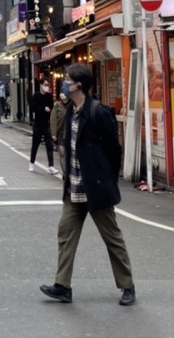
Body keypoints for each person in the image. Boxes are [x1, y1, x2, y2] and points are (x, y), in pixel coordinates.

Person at [40, 64, 136, 306]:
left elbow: (114, 151)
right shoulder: (70, 110)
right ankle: (62, 286)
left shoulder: (98, 112)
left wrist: (107, 180)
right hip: (73, 187)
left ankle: (127, 286)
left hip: (95, 188)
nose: (64, 84)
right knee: (65, 234)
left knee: (112, 237)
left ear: (79, 85)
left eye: (68, 80)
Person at [29, 79, 57, 174]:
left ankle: (51, 166)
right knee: (35, 144)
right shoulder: (36, 96)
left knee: (49, 145)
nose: (47, 86)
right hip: (37, 124)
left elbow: (52, 106)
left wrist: (49, 109)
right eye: (45, 85)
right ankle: (31, 163)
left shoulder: (49, 96)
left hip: (47, 123)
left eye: (48, 85)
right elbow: (33, 108)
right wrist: (43, 109)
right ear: (41, 85)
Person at [50, 89, 70, 176]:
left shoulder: (73, 105)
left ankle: (69, 172)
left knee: (69, 154)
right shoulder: (57, 105)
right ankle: (65, 174)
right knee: (62, 153)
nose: (63, 95)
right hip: (61, 132)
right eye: (61, 93)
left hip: (70, 132)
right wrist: (53, 134)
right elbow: (53, 120)